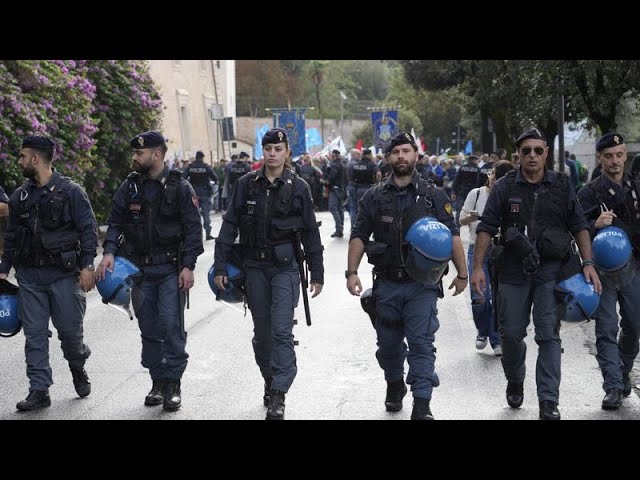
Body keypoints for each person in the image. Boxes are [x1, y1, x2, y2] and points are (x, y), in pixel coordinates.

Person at [471, 128, 601, 420]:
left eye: (538, 151)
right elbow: (487, 227)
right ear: (518, 153)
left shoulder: (562, 185)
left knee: (548, 335)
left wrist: (588, 263)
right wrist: (477, 267)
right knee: (512, 334)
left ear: (546, 153)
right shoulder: (505, 186)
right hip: (513, 271)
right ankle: (515, 379)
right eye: (526, 150)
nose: (532, 155)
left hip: (550, 272)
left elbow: (579, 225)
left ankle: (548, 400)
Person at [346, 132, 468, 420]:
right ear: (388, 158)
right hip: (386, 284)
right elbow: (359, 235)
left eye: (406, 151)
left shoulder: (433, 196)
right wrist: (351, 272)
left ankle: (422, 404)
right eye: (396, 152)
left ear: (416, 156)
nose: (401, 156)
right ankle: (393, 382)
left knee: (422, 343)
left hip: (422, 286)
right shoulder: (373, 197)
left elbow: (453, 235)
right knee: (388, 347)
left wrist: (463, 273)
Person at [213, 127, 324, 420]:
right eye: (268, 149)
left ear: (287, 152)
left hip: (285, 269)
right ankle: (269, 378)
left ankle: (279, 393)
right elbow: (228, 227)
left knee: (281, 331)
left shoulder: (299, 187)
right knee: (262, 336)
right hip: (254, 269)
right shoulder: (246, 184)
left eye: (278, 149)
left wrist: (317, 272)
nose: (273, 154)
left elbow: (311, 232)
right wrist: (221, 265)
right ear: (263, 152)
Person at [96, 131, 204, 412]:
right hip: (139, 271)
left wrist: (188, 266)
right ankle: (158, 381)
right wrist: (108, 252)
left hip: (170, 269)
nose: (134, 157)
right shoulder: (130, 187)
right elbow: (115, 222)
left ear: (156, 155)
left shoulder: (180, 187)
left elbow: (194, 230)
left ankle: (173, 384)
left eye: (139, 153)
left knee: (171, 326)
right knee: (149, 329)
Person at [0, 135, 98, 411]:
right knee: (34, 336)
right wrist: (4, 269)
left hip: (64, 277)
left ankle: (78, 366)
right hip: (30, 278)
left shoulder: (71, 192)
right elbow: (12, 237)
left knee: (70, 335)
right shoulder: (20, 196)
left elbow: (88, 231)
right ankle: (39, 389)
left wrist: (87, 266)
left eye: (21, 156)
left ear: (35, 159)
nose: (18, 161)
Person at [577, 133, 640, 410]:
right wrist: (594, 224)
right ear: (600, 158)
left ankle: (623, 372)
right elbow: (575, 229)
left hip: (635, 268)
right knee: (605, 329)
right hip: (602, 272)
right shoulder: (589, 193)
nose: (614, 161)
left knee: (634, 327)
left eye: (619, 155)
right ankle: (612, 386)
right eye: (609, 156)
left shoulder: (637, 186)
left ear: (625, 155)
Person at [460, 160, 516, 356]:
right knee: (480, 296)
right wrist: (470, 218)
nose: (496, 183)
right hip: (478, 250)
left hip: (500, 251)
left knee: (498, 297)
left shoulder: (511, 196)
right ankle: (482, 331)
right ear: (490, 176)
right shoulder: (476, 194)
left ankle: (495, 337)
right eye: (494, 178)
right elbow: (460, 219)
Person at [182, 150, 218, 240]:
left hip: (193, 193)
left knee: (193, 214)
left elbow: (183, 178)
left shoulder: (190, 167)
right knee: (206, 214)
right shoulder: (206, 167)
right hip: (205, 193)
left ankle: (195, 235)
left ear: (196, 157)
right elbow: (215, 178)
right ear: (202, 157)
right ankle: (208, 233)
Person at [347, 148, 380, 224]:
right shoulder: (371, 164)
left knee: (355, 209)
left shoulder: (356, 164)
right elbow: (378, 174)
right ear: (368, 155)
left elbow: (352, 176)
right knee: (370, 209)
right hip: (368, 188)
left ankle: (354, 227)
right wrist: (377, 183)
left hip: (357, 188)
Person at [326, 149, 347, 237]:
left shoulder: (334, 165)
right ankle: (340, 228)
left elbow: (331, 177)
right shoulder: (342, 164)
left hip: (335, 189)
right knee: (339, 209)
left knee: (333, 208)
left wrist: (325, 181)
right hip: (341, 188)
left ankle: (339, 228)